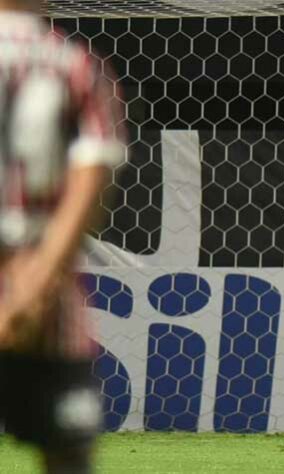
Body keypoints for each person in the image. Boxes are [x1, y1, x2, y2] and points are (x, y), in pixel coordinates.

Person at [0, 1, 124, 472]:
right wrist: (34, 285)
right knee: (67, 455)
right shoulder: (77, 65)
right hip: (48, 300)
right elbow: (90, 182)